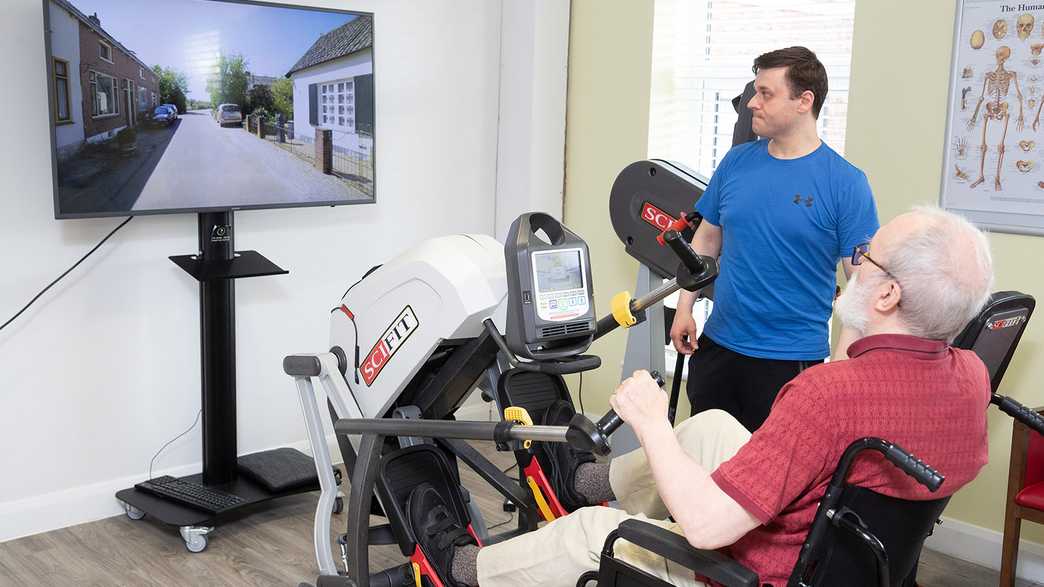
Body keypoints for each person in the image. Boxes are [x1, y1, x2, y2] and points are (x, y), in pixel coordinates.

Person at [409, 206, 993, 586]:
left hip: (755, 571)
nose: (854, 267)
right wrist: (860, 321)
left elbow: (711, 529)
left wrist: (650, 421)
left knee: (590, 532)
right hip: (846, 555)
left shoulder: (828, 396)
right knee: (713, 425)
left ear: (889, 294)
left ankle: (461, 570)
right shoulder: (970, 375)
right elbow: (863, 387)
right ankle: (584, 481)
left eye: (866, 260)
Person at [671, 46, 879, 432]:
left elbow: (864, 287)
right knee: (702, 468)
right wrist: (685, 306)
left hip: (790, 364)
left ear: (804, 101)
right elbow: (706, 240)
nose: (752, 103)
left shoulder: (846, 183)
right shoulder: (736, 162)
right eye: (755, 91)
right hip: (718, 350)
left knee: (774, 487)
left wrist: (842, 368)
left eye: (765, 93)